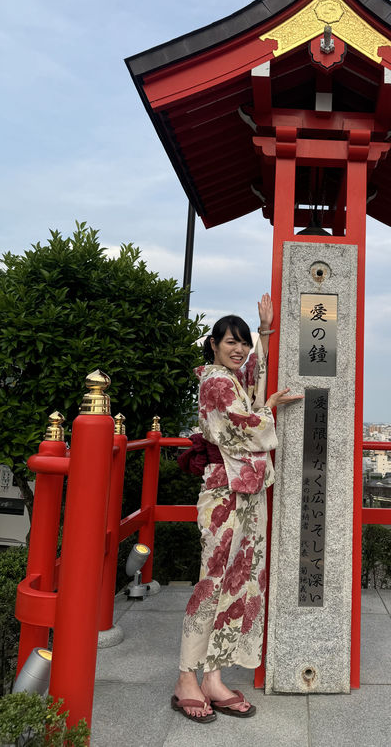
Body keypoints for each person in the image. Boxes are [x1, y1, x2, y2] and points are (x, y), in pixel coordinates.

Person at [171, 293, 302, 722]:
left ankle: (213, 675)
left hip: (244, 493)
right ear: (213, 343)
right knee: (212, 581)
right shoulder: (213, 381)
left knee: (238, 581)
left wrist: (265, 332)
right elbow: (243, 426)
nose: (238, 349)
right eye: (230, 341)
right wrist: (270, 409)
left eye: (242, 342)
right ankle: (186, 677)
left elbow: (251, 375)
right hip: (224, 494)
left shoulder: (231, 378)